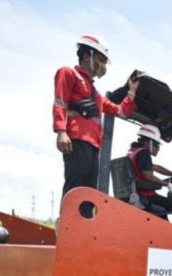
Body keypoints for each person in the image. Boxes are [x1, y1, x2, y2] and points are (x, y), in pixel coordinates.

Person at [53, 35, 140, 197]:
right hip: (77, 141)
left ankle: (84, 222)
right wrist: (61, 132)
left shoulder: (96, 95)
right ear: (87, 56)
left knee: (89, 194)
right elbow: (60, 102)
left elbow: (121, 111)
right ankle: (68, 222)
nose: (103, 66)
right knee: (75, 189)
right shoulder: (68, 73)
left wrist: (131, 91)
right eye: (101, 60)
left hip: (93, 147)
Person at [126, 124, 172, 227]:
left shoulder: (133, 152)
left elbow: (155, 167)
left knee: (163, 215)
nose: (158, 149)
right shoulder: (144, 154)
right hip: (146, 196)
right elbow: (148, 176)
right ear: (148, 142)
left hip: (137, 194)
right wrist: (167, 184)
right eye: (156, 145)